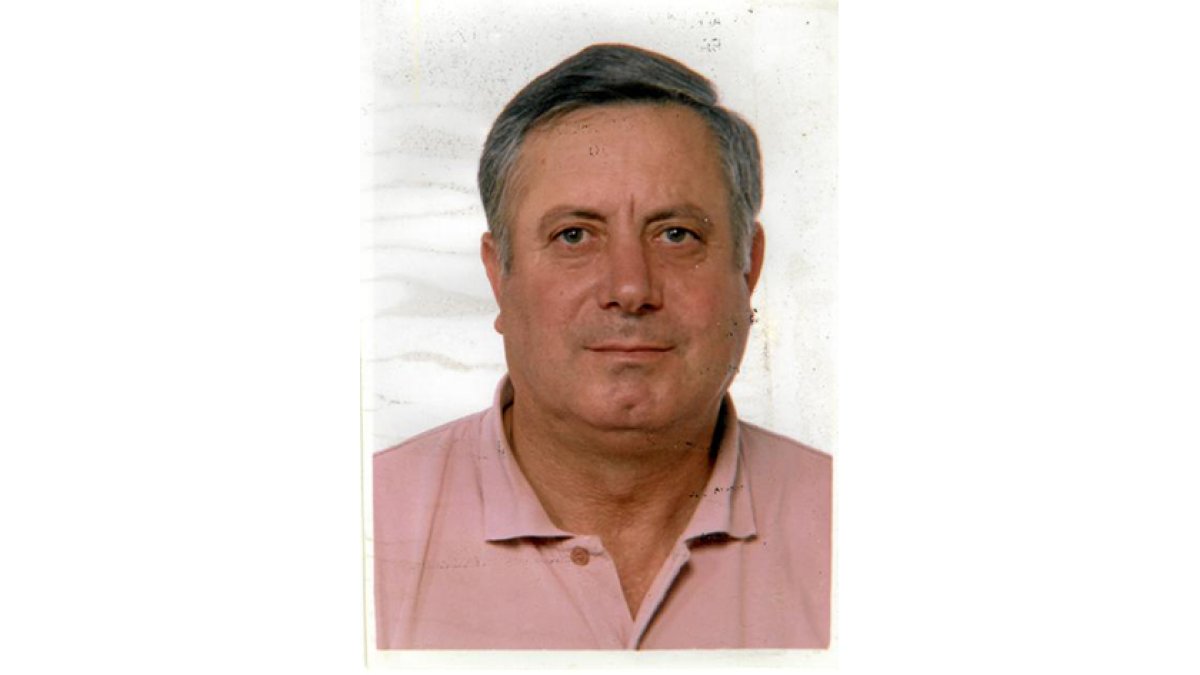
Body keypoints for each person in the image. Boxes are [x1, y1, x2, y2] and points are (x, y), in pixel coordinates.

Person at [373, 43, 831, 650]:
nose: (630, 289)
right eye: (574, 236)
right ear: (498, 275)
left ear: (749, 269)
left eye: (676, 234)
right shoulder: (364, 529)